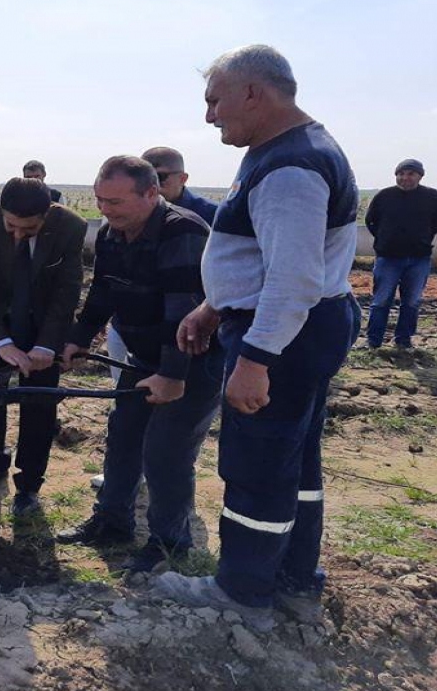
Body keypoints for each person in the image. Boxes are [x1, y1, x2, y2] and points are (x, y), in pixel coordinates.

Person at [153, 44, 360, 633]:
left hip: (285, 334)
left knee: (258, 462)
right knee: (294, 458)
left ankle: (243, 591)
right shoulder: (285, 150)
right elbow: (267, 258)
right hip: (299, 325)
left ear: (252, 93)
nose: (209, 116)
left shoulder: (291, 167)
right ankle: (294, 578)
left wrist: (256, 358)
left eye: (214, 101)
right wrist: (214, 305)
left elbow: (294, 279)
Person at [56, 157, 222, 574]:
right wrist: (79, 337)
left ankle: (170, 544)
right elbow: (103, 291)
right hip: (144, 356)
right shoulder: (111, 234)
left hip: (193, 360)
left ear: (151, 193)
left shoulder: (182, 231)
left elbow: (182, 310)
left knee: (166, 451)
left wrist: (172, 374)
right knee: (123, 436)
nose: (105, 210)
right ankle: (112, 523)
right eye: (100, 200)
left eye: (114, 202)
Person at [0, 177, 86, 516]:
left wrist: (46, 346)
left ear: (47, 215)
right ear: (1, 211)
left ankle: (29, 483)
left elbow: (67, 290)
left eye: (29, 229)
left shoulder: (70, 226)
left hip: (42, 324)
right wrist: (1, 343)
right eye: (11, 226)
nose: (18, 234)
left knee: (39, 404)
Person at [363, 159, 437, 349]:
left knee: (411, 302)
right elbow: (371, 221)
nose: (405, 178)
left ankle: (403, 340)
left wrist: (422, 238)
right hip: (388, 258)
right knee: (381, 301)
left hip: (419, 258)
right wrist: (385, 239)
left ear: (420, 176)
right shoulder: (384, 196)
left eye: (410, 174)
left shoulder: (432, 197)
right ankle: (373, 341)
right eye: (401, 174)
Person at [141, 146, 218, 225]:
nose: (150, 184)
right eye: (142, 177)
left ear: (182, 179)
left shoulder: (212, 214)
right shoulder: (136, 211)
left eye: (159, 177)